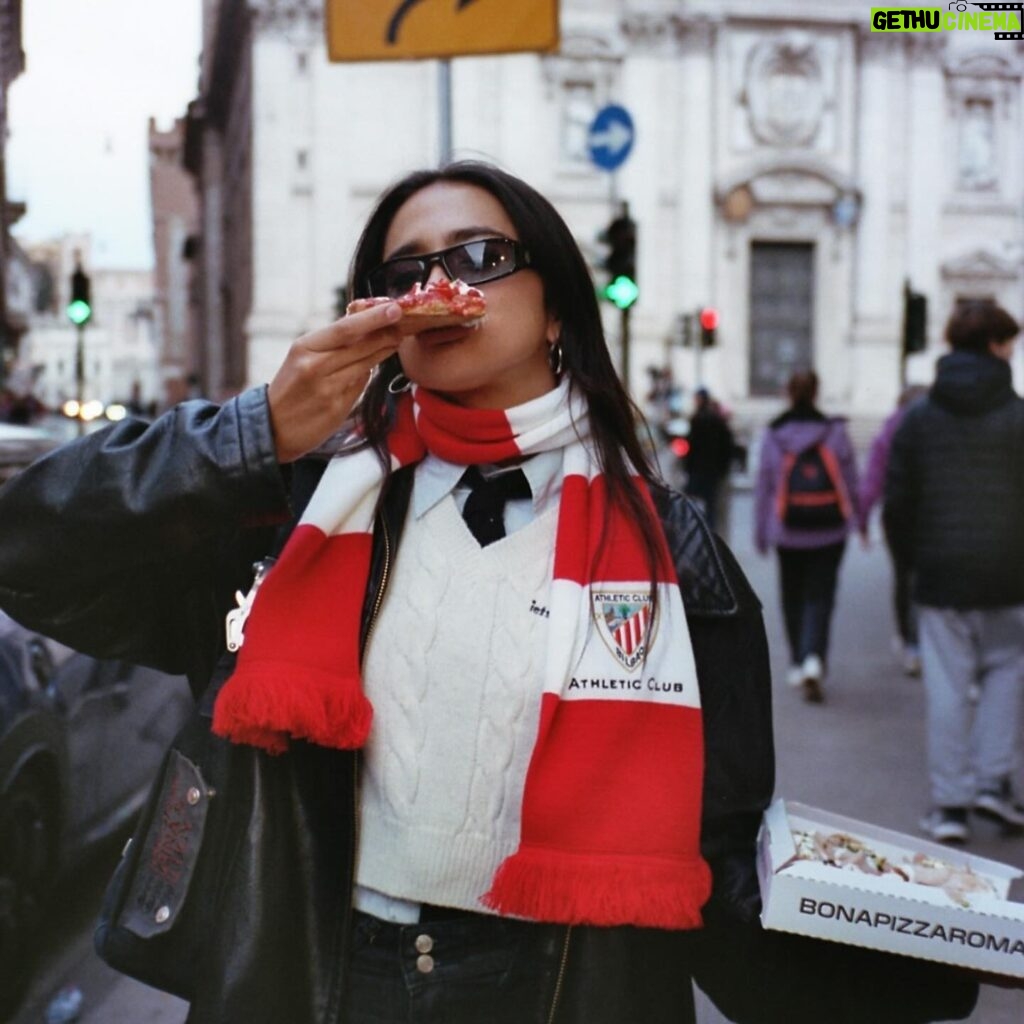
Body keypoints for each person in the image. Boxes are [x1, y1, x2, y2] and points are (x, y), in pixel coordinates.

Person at [0, 163, 979, 1023]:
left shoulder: (673, 551)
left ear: (554, 306)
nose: (436, 284)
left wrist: (919, 946)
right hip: (316, 978)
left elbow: (713, 859)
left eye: (476, 255)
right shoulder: (292, 513)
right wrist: (252, 430)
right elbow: (30, 551)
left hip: (560, 988)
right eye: (403, 271)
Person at [884, 301, 1024, 846]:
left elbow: (899, 501)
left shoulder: (919, 418)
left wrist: (912, 561)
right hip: (1009, 572)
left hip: (941, 573)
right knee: (1004, 676)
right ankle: (992, 783)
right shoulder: (1018, 416)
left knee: (947, 686)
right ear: (994, 345)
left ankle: (950, 805)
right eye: (1009, 340)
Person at [754, 370, 863, 703]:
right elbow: (851, 480)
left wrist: (761, 531)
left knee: (792, 595)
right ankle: (815, 655)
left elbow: (764, 486)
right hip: (830, 529)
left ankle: (799, 661)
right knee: (822, 595)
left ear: (788, 392)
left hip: (788, 530)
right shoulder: (835, 431)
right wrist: (859, 520)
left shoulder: (774, 434)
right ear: (817, 392)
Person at [860, 385, 928, 678]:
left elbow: (872, 480)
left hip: (897, 516)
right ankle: (921, 639)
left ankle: (909, 641)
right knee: (926, 579)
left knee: (903, 578)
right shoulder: (935, 427)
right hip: (931, 516)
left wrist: (862, 521)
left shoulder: (888, 431)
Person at [682, 386, 735, 533]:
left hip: (698, 470)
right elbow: (727, 447)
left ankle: (695, 533)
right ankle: (710, 536)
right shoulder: (717, 421)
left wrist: (687, 467)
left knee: (692, 504)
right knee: (711, 507)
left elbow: (691, 447)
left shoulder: (697, 419)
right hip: (712, 471)